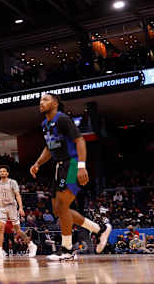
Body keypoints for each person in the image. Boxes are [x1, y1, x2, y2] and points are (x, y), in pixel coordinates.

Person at [30, 93, 112, 261]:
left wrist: (82, 165)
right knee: (58, 210)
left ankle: (67, 250)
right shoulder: (45, 124)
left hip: (72, 164)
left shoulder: (63, 119)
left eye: (45, 99)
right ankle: (100, 229)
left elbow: (80, 140)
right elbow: (49, 147)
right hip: (59, 167)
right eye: (40, 100)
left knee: (62, 205)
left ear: (55, 103)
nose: (41, 102)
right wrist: (38, 163)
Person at [0, 165, 37, 258]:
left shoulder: (12, 182)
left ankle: (31, 245)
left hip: (12, 207)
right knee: (0, 228)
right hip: (2, 207)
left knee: (17, 230)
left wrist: (20, 208)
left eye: (4, 171)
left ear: (7, 173)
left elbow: (17, 195)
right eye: (0, 171)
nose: (2, 173)